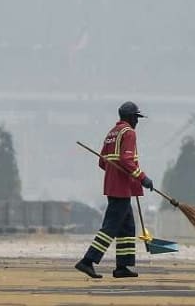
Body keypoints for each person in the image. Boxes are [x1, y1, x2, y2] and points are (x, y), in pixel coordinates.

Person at [75, 101, 153, 279]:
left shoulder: (112, 132)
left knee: (127, 228)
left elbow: (103, 162)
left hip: (114, 186)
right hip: (121, 188)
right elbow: (126, 161)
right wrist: (142, 178)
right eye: (136, 117)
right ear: (131, 117)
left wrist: (115, 173)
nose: (137, 122)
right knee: (110, 227)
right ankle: (87, 261)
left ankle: (122, 267)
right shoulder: (129, 133)